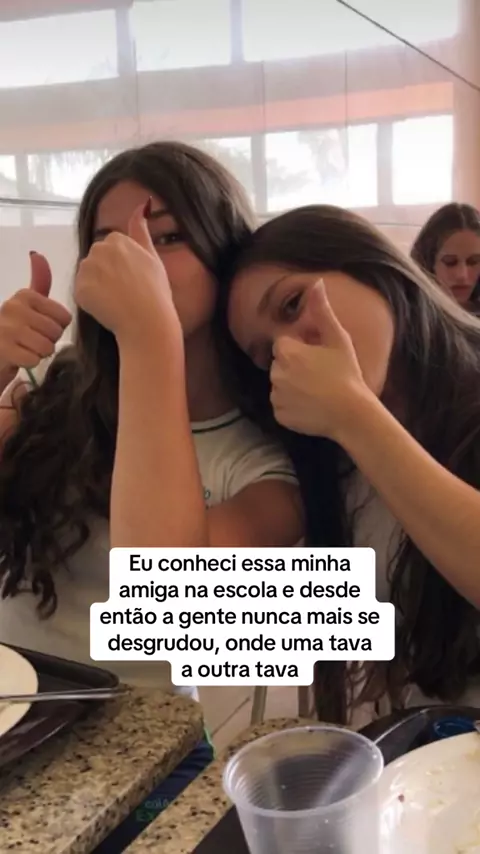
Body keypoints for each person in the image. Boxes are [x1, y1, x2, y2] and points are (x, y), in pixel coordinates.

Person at [0, 141, 303, 850]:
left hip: (137, 749)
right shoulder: (54, 391)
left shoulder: (267, 454)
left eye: (166, 237)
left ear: (226, 254)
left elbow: (169, 592)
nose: (136, 257)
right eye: (110, 242)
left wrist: (149, 339)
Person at [224, 203, 480, 728]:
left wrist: (355, 415)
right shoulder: (332, 469)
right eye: (266, 354)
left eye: (293, 304)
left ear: (371, 266)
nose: (290, 351)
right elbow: (168, 604)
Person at [411, 202, 480, 312]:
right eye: (450, 262)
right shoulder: (407, 313)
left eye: (473, 262)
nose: (462, 275)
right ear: (428, 262)